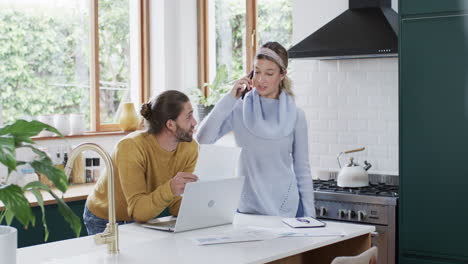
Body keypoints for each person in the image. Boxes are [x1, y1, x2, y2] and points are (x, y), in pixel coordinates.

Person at [196, 41, 316, 217]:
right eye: (257, 72)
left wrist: (310, 217)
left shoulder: (296, 116)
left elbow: (302, 169)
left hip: (287, 210)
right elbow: (203, 138)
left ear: (282, 75)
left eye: (269, 73)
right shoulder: (239, 109)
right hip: (248, 210)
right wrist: (230, 98)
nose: (261, 80)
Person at [83, 90, 199, 235]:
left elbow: (176, 204)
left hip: (142, 215)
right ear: (170, 124)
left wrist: (202, 206)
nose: (195, 122)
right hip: (105, 218)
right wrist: (170, 188)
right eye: (189, 116)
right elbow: (138, 210)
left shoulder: (190, 147)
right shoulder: (130, 147)